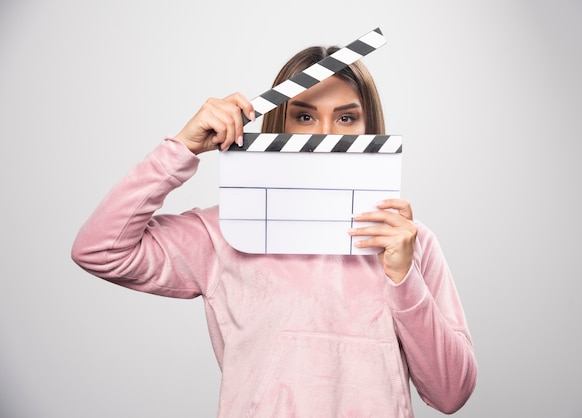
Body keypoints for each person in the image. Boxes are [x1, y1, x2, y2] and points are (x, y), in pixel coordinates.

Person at [72, 45, 477, 417]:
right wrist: (182, 147)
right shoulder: (225, 231)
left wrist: (404, 279)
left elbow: (450, 393)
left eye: (347, 117)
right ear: (277, 126)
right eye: (304, 116)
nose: (325, 134)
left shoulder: (409, 242)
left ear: (370, 129)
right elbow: (99, 250)